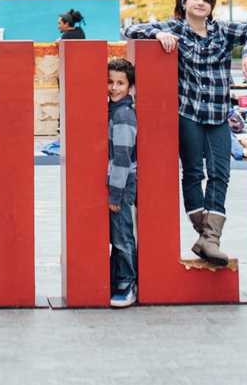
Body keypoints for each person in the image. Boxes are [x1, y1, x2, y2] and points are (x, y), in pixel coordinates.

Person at [123, 0, 247, 266]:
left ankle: (209, 239)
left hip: (218, 113)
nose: (201, 3)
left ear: (211, 7)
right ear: (184, 3)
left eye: (206, 0)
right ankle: (207, 235)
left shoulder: (222, 31)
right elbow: (130, 30)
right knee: (193, 173)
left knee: (221, 173)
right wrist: (158, 32)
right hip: (188, 112)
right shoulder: (176, 29)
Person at [107, 56, 137, 308]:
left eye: (120, 83)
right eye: (110, 81)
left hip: (122, 183)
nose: (114, 88)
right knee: (115, 234)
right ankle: (116, 279)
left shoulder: (124, 114)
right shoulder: (111, 109)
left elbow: (122, 157)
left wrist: (115, 194)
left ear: (130, 87)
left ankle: (127, 283)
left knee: (121, 235)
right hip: (114, 182)